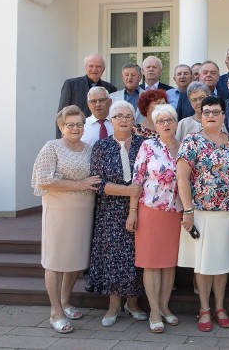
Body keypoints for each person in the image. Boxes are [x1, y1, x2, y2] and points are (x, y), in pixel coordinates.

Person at [177, 97, 229, 332]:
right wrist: (187, 211)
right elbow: (182, 177)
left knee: (222, 262)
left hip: (227, 213)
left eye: (215, 112)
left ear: (224, 115)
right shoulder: (192, 140)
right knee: (203, 264)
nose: (210, 115)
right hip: (201, 212)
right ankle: (204, 308)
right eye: (206, 112)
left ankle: (220, 306)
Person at [31, 106, 100, 334]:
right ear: (61, 127)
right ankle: (55, 312)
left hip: (83, 211)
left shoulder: (90, 149)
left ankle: (66, 301)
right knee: (56, 260)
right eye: (70, 124)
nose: (75, 128)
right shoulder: (52, 147)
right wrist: (80, 184)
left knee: (74, 259)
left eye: (79, 124)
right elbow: (44, 180)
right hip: (59, 211)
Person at [89, 101, 147, 326]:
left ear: (134, 121)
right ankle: (113, 306)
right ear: (111, 120)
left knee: (136, 257)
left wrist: (133, 194)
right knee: (113, 257)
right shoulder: (100, 147)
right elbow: (97, 182)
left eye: (128, 116)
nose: (123, 120)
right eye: (118, 116)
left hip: (139, 208)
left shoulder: (144, 145)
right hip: (110, 211)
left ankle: (133, 304)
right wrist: (126, 190)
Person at [127, 104, 182, 333]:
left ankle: (165, 307)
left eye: (169, 120)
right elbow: (136, 180)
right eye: (161, 121)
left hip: (175, 212)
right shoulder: (148, 146)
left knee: (169, 263)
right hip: (149, 210)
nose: (166, 124)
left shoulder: (184, 146)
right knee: (151, 263)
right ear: (155, 125)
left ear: (176, 122)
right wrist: (132, 211)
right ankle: (154, 311)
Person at [56, 53, 117, 137]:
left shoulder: (111, 88)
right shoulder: (71, 85)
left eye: (98, 66)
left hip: (104, 134)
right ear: (85, 68)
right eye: (91, 66)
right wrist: (61, 142)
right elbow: (61, 116)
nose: (94, 69)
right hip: (75, 135)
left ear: (104, 69)